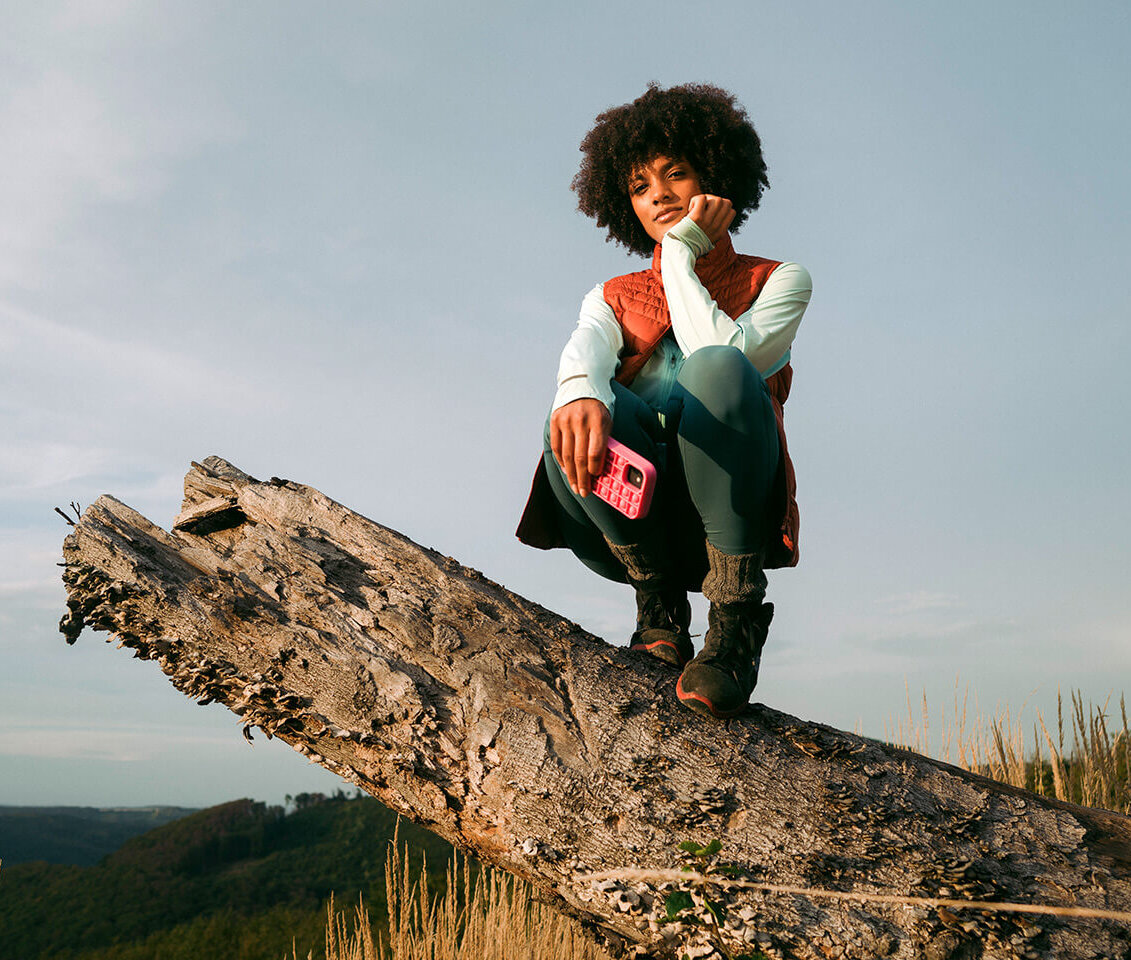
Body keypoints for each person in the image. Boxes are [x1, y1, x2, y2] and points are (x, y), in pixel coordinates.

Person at [516, 83, 811, 718]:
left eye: (675, 174)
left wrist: (680, 255)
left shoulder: (779, 281)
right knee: (574, 406)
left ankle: (732, 627)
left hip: (729, 520)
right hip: (631, 526)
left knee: (718, 370)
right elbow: (581, 358)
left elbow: (725, 356)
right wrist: (581, 394)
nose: (659, 196)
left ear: (716, 175)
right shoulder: (610, 294)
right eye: (641, 187)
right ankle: (658, 609)